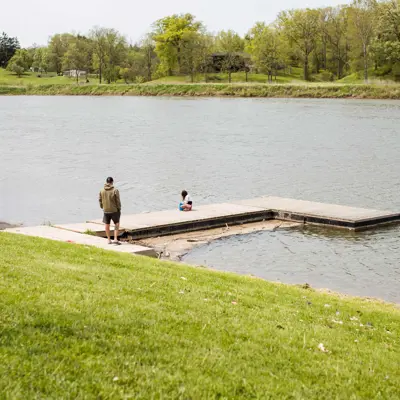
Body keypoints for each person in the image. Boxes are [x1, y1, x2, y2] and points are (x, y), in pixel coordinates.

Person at [99, 177, 121, 244]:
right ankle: (115, 239)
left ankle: (108, 240)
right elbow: (118, 201)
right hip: (114, 210)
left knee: (107, 225)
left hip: (106, 210)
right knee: (116, 224)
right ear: (112, 182)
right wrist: (119, 208)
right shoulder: (115, 190)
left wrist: (102, 207)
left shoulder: (102, 190)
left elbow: (100, 200)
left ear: (106, 182)